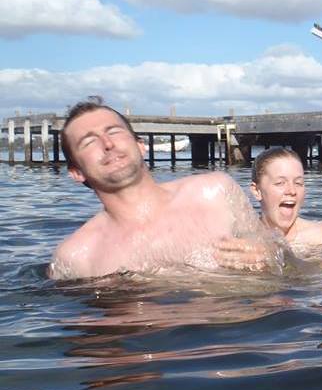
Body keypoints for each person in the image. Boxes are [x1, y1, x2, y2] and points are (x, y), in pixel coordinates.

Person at [49, 97, 281, 280]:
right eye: (89, 142)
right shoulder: (77, 258)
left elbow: (283, 260)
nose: (107, 144)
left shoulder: (215, 193)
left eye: (114, 132)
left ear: (141, 146)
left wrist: (268, 255)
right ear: (76, 171)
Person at [250, 148, 322, 249]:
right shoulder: (242, 239)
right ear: (257, 191)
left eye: (298, 183)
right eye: (280, 183)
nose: (292, 191)